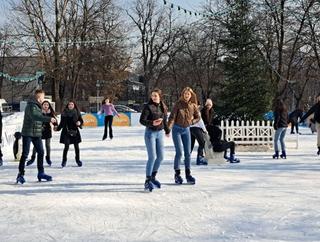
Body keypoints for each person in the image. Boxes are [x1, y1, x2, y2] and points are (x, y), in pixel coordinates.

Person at [16, 89, 56, 184]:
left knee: (41, 152)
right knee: (25, 154)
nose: (43, 99)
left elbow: (39, 119)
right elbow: (35, 117)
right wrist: (49, 119)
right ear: (38, 98)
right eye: (43, 97)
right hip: (28, 133)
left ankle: (41, 173)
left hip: (36, 134)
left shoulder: (38, 106)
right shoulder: (31, 106)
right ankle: (20, 174)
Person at [168, 87, 200, 185]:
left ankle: (188, 174)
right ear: (183, 94)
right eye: (185, 94)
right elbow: (172, 117)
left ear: (191, 95)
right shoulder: (178, 104)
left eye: (188, 94)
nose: (187, 95)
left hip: (186, 130)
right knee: (179, 152)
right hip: (177, 129)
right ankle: (177, 174)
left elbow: (198, 117)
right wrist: (168, 128)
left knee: (188, 153)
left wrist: (192, 121)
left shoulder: (193, 106)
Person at [139, 88, 170, 192]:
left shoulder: (163, 106)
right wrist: (152, 123)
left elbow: (164, 120)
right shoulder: (148, 107)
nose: (153, 97)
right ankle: (147, 180)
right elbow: (142, 120)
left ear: (159, 96)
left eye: (155, 95)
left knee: (160, 157)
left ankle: (153, 176)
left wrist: (167, 130)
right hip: (150, 133)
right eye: (152, 95)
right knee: (152, 157)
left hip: (160, 133)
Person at [26, 101, 56, 166]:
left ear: (49, 106)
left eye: (47, 105)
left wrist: (55, 125)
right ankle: (32, 158)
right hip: (39, 130)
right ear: (42, 105)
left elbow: (54, 121)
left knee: (47, 145)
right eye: (44, 104)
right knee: (36, 145)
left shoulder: (50, 113)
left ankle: (48, 158)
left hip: (47, 130)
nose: (46, 106)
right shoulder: (39, 112)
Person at [56, 100, 84, 167]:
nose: (70, 105)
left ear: (74, 105)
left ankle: (78, 160)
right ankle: (64, 160)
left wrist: (79, 123)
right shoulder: (64, 113)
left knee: (76, 147)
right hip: (66, 131)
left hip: (75, 131)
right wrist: (57, 128)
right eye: (69, 104)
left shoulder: (77, 112)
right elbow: (62, 123)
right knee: (66, 147)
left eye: (72, 104)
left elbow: (81, 120)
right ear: (67, 106)